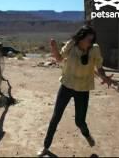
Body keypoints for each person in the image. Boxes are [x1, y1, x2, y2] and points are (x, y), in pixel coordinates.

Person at [37, 25, 113, 156]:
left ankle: (87, 135)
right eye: (88, 40)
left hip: (83, 89)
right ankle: (45, 147)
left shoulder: (95, 49)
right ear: (81, 38)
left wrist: (104, 77)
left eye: (92, 40)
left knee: (79, 121)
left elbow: (99, 67)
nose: (91, 42)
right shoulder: (72, 45)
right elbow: (59, 59)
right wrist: (54, 48)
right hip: (67, 85)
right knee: (55, 117)